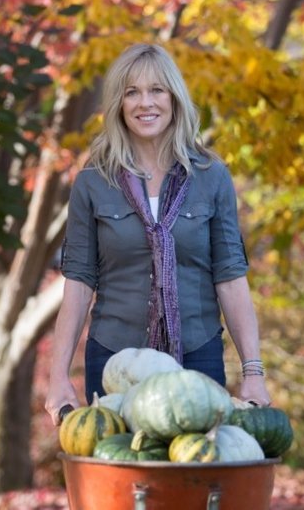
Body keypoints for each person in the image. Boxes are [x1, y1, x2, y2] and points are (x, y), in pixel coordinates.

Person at [45, 43, 271, 425]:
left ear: (174, 98)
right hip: (115, 360)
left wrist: (253, 372)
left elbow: (230, 277)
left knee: (195, 476)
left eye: (156, 90)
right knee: (123, 479)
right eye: (131, 92)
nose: (144, 103)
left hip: (198, 357)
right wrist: (57, 376)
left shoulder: (212, 177)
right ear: (118, 104)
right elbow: (78, 284)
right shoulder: (93, 182)